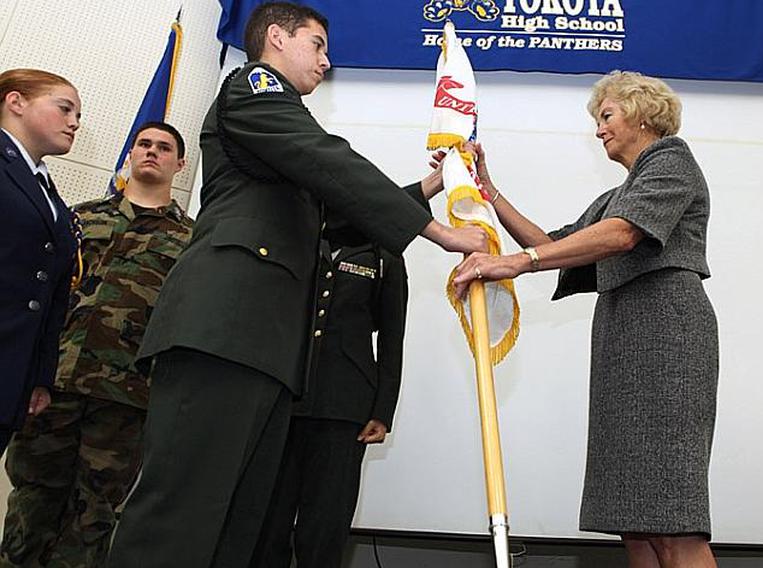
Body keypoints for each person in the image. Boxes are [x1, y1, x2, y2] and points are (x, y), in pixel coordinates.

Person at [106, 4, 485, 567]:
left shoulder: (280, 149)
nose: (326, 62)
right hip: (224, 332)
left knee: (240, 521)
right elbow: (326, 158)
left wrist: (436, 183)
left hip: (265, 348)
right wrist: (438, 234)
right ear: (277, 38)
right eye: (318, 45)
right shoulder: (254, 87)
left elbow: (336, 217)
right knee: (181, 511)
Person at [450, 71, 719, 568]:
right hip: (624, 337)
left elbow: (620, 235)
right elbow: (556, 247)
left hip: (666, 337)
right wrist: (490, 192)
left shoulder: (671, 160)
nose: (599, 130)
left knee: (672, 519)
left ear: (641, 113)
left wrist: (515, 262)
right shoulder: (623, 191)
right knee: (636, 523)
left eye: (607, 116)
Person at [0, 122, 193, 567]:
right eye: (143, 144)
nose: (151, 152)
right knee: (32, 500)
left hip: (127, 396)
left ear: (180, 164)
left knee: (96, 513)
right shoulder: (79, 218)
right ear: (129, 155)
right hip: (55, 383)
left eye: (164, 148)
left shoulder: (192, 240)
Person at [253, 218, 409, 567]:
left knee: (324, 526)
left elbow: (391, 340)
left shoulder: (384, 256)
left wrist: (383, 411)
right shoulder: (298, 238)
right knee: (267, 521)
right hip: (284, 398)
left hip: (345, 407)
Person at [0, 68, 80, 454]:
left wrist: (38, 375)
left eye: (77, 116)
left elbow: (50, 293)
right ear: (16, 102)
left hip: (10, 377)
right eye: (65, 109)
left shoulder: (47, 191)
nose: (74, 122)